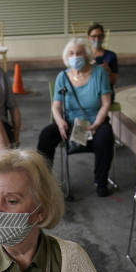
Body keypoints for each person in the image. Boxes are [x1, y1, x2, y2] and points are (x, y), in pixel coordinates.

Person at [36, 38, 114, 197]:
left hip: (95, 121)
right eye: (71, 53)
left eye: (79, 53)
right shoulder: (62, 77)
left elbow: (106, 103)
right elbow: (56, 106)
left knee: (105, 137)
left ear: (86, 55)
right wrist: (59, 122)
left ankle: (101, 181)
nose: (75, 56)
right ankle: (43, 181)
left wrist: (97, 123)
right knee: (46, 135)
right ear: (66, 57)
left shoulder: (99, 73)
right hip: (71, 123)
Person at [87, 22, 118, 88]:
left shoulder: (111, 56)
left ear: (103, 37)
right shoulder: (84, 55)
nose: (97, 39)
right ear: (88, 37)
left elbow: (114, 81)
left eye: (99, 36)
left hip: (105, 89)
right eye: (94, 36)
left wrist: (108, 71)